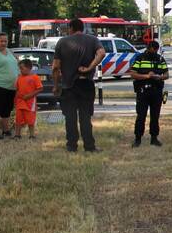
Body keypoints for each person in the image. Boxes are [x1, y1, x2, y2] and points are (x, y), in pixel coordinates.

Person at [51, 18, 105, 153]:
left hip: (69, 86)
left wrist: (56, 85)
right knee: (85, 117)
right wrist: (89, 67)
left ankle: (71, 146)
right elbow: (101, 53)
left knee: (70, 117)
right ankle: (89, 146)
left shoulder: (63, 42)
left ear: (71, 28)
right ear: (82, 28)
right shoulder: (92, 40)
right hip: (86, 84)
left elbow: (56, 67)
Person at [129, 39, 169, 147]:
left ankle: (154, 138)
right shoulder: (140, 58)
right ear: (148, 48)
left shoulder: (160, 59)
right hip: (143, 91)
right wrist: (146, 76)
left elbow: (166, 74)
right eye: (152, 49)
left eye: (156, 50)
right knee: (141, 116)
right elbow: (132, 73)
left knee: (155, 116)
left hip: (156, 91)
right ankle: (137, 138)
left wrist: (159, 77)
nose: (154, 52)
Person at [13, 58, 43, 139]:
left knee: (30, 119)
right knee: (18, 119)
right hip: (20, 101)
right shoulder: (19, 77)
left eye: (22, 68)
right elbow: (16, 89)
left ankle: (32, 135)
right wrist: (15, 100)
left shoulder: (35, 77)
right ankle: (17, 135)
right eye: (20, 69)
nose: (20, 70)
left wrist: (29, 95)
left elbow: (40, 88)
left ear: (29, 68)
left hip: (30, 102)